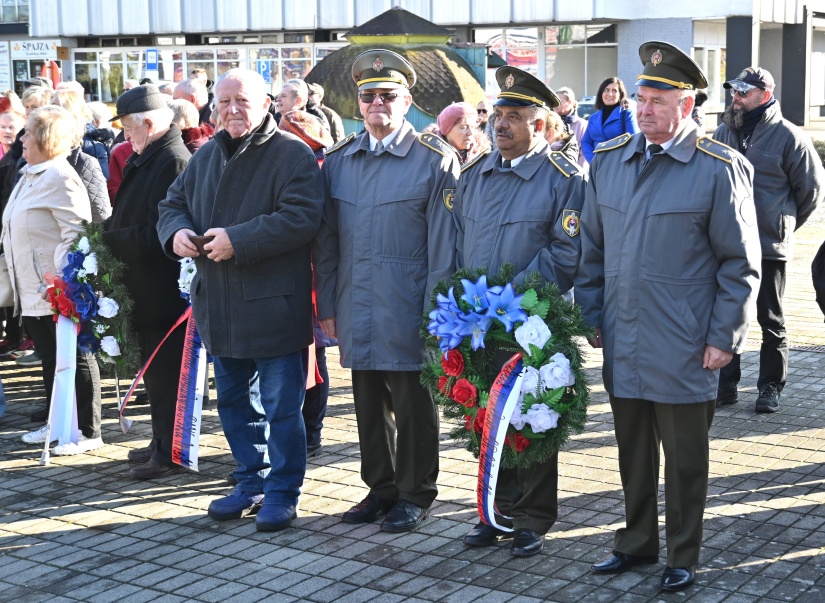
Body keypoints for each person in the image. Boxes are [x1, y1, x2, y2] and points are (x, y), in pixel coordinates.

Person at [575, 41, 761, 592]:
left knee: (684, 460)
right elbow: (592, 251)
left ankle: (683, 552)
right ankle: (634, 543)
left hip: (685, 342)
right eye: (640, 97)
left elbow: (740, 263)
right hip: (624, 338)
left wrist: (724, 337)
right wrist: (593, 316)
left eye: (659, 98)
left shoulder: (717, 167)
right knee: (632, 451)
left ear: (687, 105)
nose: (645, 107)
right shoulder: (609, 162)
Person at [157, 68, 323, 532]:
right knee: (233, 406)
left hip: (272, 305)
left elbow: (302, 218)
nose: (232, 109)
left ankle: (283, 491)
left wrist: (239, 240)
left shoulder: (292, 153)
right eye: (224, 100)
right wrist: (177, 233)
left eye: (242, 101)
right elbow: (171, 206)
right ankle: (249, 480)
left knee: (280, 407)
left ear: (267, 102)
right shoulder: (204, 155)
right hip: (220, 306)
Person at [314, 49, 459, 533]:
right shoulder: (340, 161)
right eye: (368, 95)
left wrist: (437, 314)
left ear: (407, 101)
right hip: (356, 302)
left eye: (388, 95)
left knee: (414, 406)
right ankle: (381, 487)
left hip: (409, 303)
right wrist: (330, 305)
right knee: (367, 402)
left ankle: (416, 493)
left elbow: (446, 249)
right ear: (358, 104)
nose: (378, 102)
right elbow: (328, 243)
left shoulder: (435, 160)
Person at [454, 66, 585, 557]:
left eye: (515, 116)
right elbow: (456, 246)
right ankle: (497, 509)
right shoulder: (475, 175)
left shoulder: (564, 179)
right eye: (498, 115)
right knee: (487, 417)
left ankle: (532, 516)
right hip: (477, 326)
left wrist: (506, 302)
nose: (501, 125)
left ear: (540, 123)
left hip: (533, 325)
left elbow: (565, 253)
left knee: (534, 418)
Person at [713, 67, 825, 413]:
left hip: (767, 247)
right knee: (726, 316)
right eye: (734, 91)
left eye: (743, 92)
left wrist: (783, 226)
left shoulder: (789, 136)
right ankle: (726, 385)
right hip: (725, 246)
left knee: (770, 320)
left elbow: (812, 191)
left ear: (765, 94)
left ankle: (770, 388)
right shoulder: (722, 132)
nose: (736, 97)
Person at [2, 105, 103, 455]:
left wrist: (60, 279)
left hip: (53, 288)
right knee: (49, 355)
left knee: (74, 354)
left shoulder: (59, 176)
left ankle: (87, 432)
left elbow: (77, 232)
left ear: (46, 138)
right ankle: (57, 422)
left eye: (28, 132)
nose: (21, 138)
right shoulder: (30, 172)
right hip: (30, 288)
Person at [102, 85, 191, 479]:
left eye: (128, 129)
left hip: (162, 290)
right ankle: (160, 440)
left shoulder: (171, 159)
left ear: (149, 123)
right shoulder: (150, 155)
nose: (125, 136)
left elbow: (161, 232)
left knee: (167, 372)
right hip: (146, 287)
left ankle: (169, 451)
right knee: (155, 374)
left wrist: (109, 240)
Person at [51, 89, 110, 179]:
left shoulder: (90, 143)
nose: (49, 111)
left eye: (55, 107)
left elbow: (99, 181)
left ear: (69, 110)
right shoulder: (47, 138)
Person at [580, 77, 638, 163]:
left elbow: (633, 142)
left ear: (620, 94)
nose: (610, 94)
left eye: (614, 91)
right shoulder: (593, 118)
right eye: (606, 90)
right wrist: (594, 162)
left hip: (619, 166)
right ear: (601, 93)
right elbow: (585, 142)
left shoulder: (627, 114)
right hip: (597, 167)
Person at [554, 86, 588, 169]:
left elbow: (584, 153)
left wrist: (578, 173)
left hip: (572, 172)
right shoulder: (550, 121)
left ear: (569, 102)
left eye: (558, 101)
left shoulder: (582, 125)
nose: (555, 104)